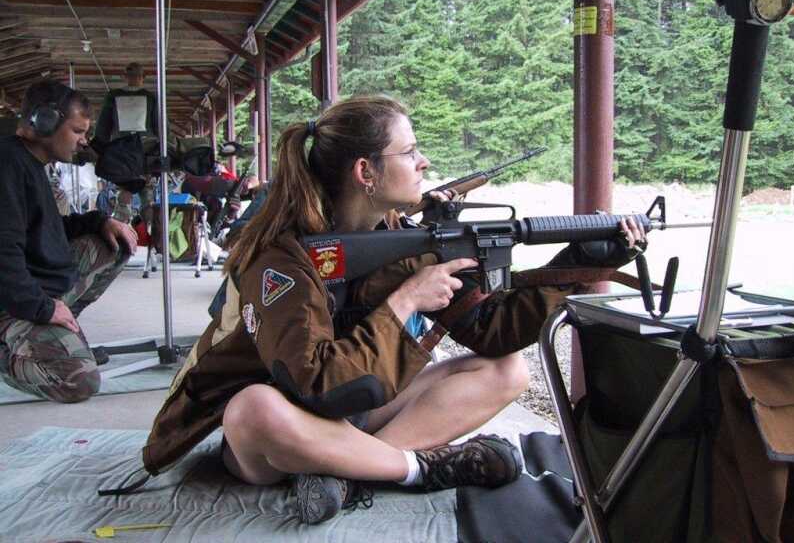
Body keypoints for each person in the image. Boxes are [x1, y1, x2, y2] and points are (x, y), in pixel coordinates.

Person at [142, 96, 646, 524]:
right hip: (276, 433)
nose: (423, 162)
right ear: (366, 171)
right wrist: (406, 301)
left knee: (506, 370)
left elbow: (493, 330)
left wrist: (581, 262)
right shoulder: (283, 257)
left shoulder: (399, 238)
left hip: (353, 414)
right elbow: (316, 386)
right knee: (252, 408)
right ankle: (416, 468)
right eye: (409, 151)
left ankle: (349, 470)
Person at [0, 80, 138, 403]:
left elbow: (44, 229)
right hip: (12, 302)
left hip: (35, 285)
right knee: (80, 381)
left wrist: (101, 221)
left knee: (116, 244)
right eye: (77, 131)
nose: (83, 141)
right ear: (44, 122)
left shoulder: (32, 163)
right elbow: (3, 254)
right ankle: (15, 348)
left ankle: (54, 334)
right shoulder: (7, 164)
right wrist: (43, 308)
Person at [93, 62, 159, 224]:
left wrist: (99, 146)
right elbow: (159, 125)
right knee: (145, 193)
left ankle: (123, 231)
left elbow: (103, 126)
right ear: (143, 78)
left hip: (121, 150)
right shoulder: (150, 97)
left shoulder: (114, 96)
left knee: (126, 191)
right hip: (144, 149)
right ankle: (150, 232)